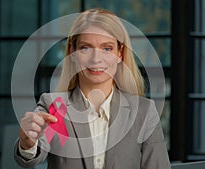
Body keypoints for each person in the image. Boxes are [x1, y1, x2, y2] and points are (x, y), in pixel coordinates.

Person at [14, 8, 171, 169]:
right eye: (85, 48)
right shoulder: (55, 105)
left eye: (107, 48)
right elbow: (33, 155)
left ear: (120, 54)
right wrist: (28, 142)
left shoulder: (143, 112)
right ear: (72, 52)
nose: (96, 59)